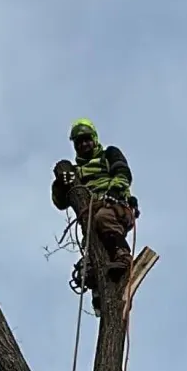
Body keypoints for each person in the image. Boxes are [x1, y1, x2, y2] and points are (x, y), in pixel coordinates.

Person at [51, 119, 139, 312]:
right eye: (79, 142)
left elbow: (123, 173)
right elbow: (60, 203)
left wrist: (115, 192)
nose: (83, 145)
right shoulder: (76, 172)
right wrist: (60, 183)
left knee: (103, 218)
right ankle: (99, 291)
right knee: (91, 249)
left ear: (94, 138)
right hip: (91, 217)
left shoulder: (108, 154)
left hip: (114, 207)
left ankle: (123, 256)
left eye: (86, 140)